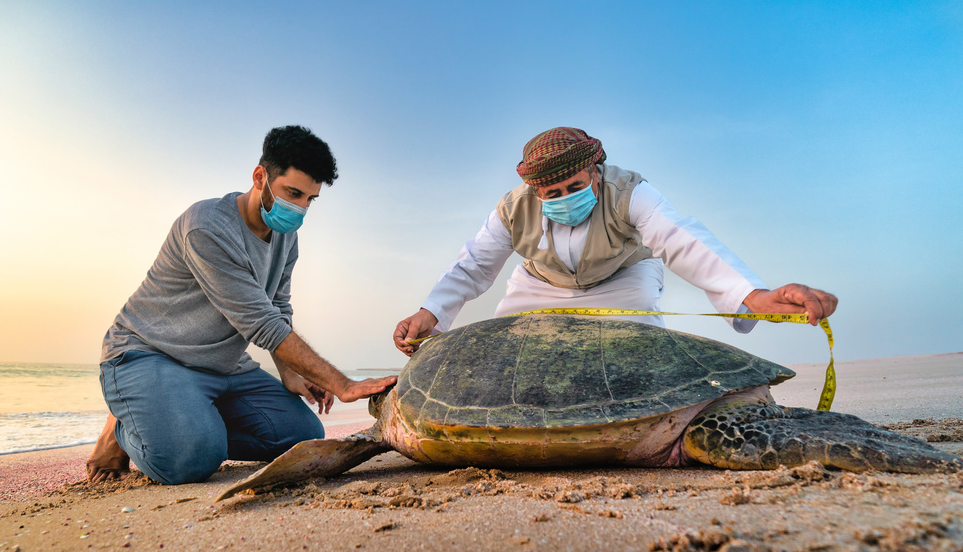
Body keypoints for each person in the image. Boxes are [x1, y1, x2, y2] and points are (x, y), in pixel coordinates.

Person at [87, 125, 396, 485]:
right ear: (260, 176)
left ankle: (182, 418)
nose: (299, 209)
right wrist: (341, 384)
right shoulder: (205, 227)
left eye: (309, 199)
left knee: (300, 434)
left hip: (224, 366)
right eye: (292, 193)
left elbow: (278, 307)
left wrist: (291, 372)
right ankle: (125, 424)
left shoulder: (286, 237)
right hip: (150, 354)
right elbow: (261, 324)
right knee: (191, 459)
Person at [394, 126, 837, 355]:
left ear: (594, 171)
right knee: (507, 352)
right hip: (539, 287)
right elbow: (473, 264)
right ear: (536, 190)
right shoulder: (512, 208)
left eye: (574, 186)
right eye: (552, 194)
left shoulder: (632, 191)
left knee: (639, 357)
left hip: (624, 279)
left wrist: (752, 294)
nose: (564, 198)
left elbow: (681, 239)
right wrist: (430, 312)